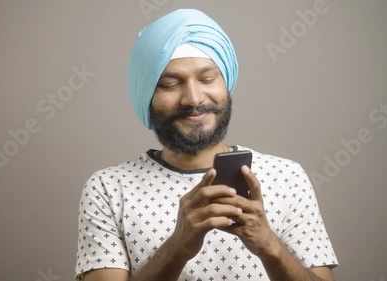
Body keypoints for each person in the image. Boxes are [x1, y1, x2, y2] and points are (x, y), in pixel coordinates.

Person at [75, 9, 338, 281]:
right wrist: (177, 247)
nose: (193, 98)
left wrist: (269, 245)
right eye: (170, 84)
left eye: (207, 79)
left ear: (226, 83)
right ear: (147, 96)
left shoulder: (287, 178)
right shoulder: (109, 188)